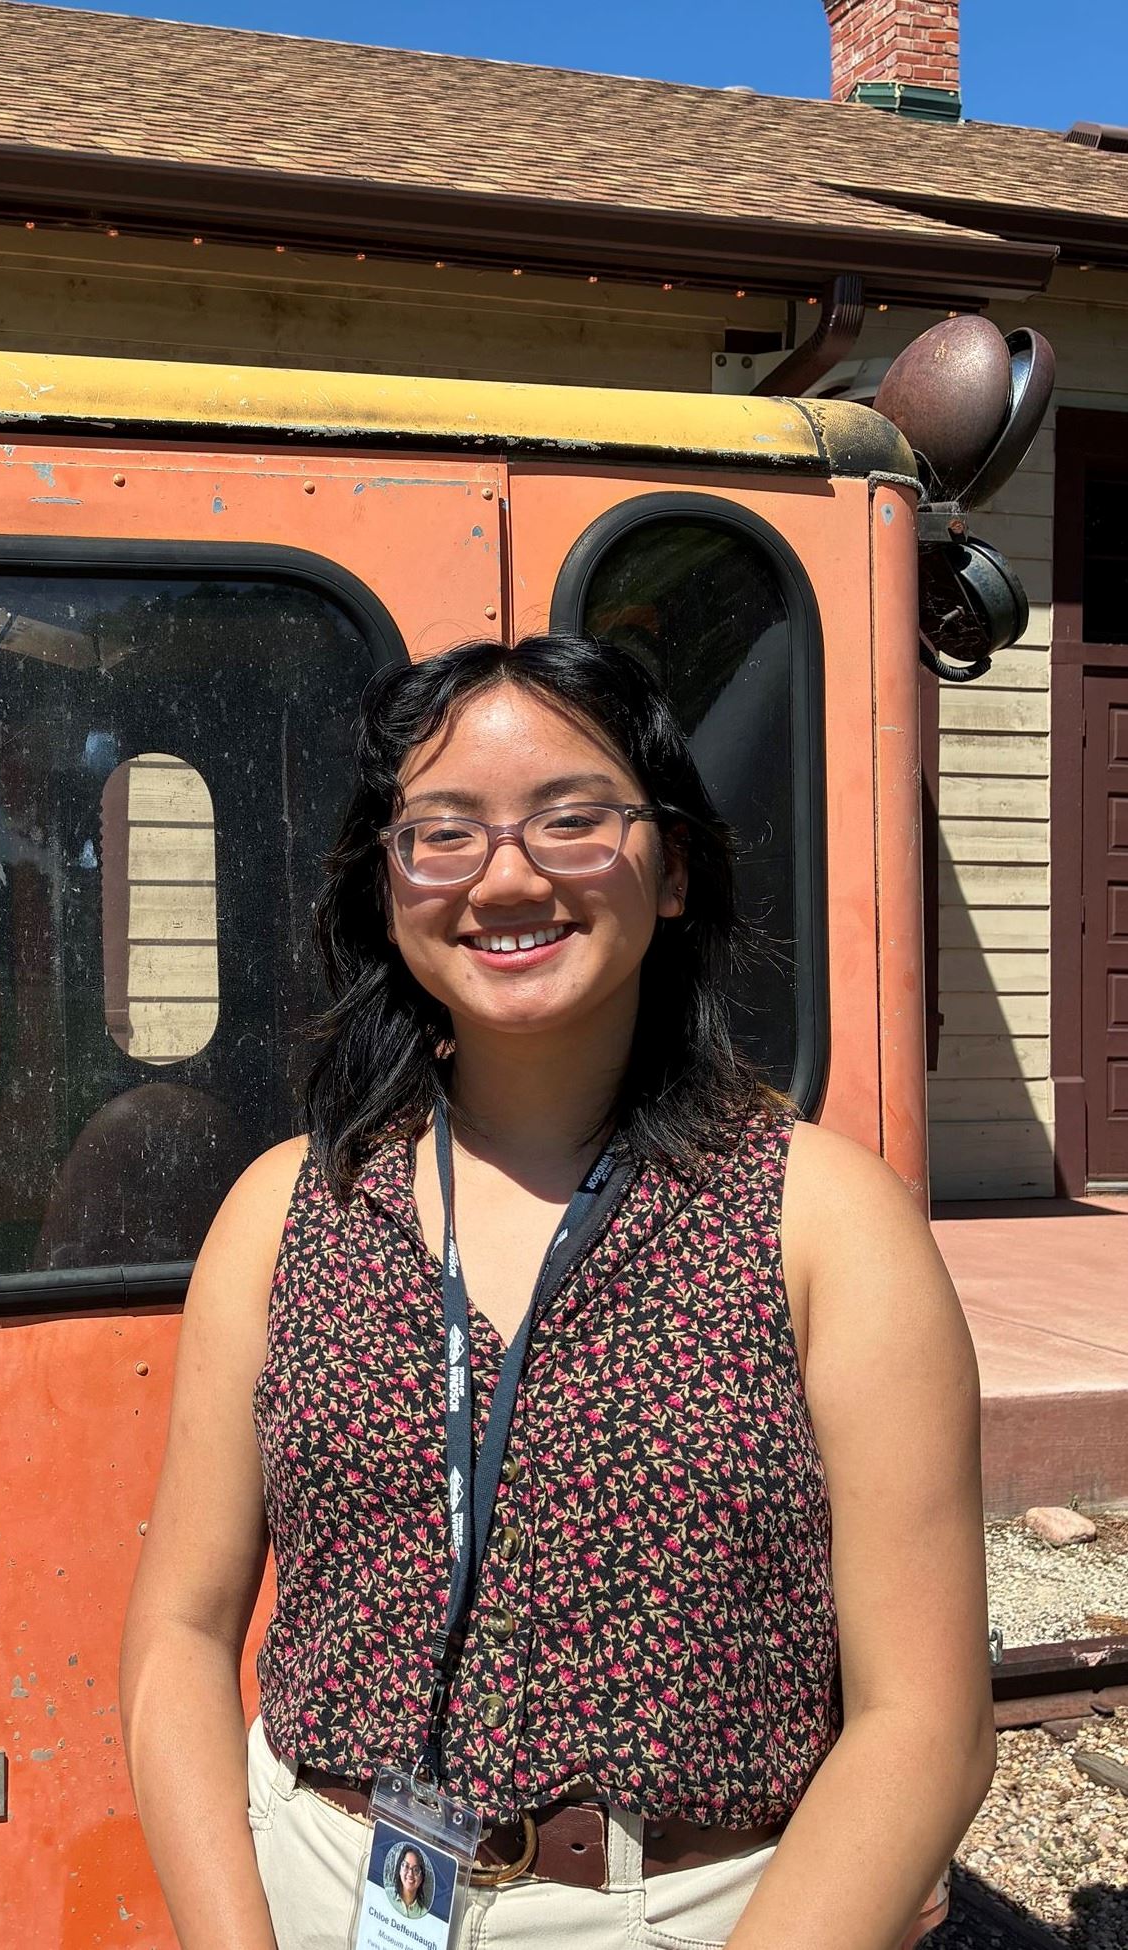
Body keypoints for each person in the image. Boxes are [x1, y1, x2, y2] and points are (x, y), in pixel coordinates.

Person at [120, 637, 992, 1950]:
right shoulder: (282, 1214)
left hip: (686, 1912)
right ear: (386, 885)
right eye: (441, 833)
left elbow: (921, 1718)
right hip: (325, 1877)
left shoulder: (820, 1224)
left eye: (572, 819)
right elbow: (177, 1635)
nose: (508, 876)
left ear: (675, 863)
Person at [389, 1845, 432, 1920]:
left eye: (416, 1870)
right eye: (406, 1866)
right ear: (399, 1869)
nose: (410, 1873)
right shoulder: (387, 1893)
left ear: (421, 1878)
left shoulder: (424, 1913)